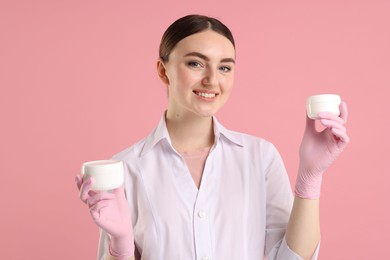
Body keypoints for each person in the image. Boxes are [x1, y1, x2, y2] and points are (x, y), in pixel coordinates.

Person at [75, 14, 349, 260]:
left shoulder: (259, 157)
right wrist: (120, 246)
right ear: (163, 70)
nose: (212, 80)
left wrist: (311, 177)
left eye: (225, 68)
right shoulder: (125, 168)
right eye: (196, 63)